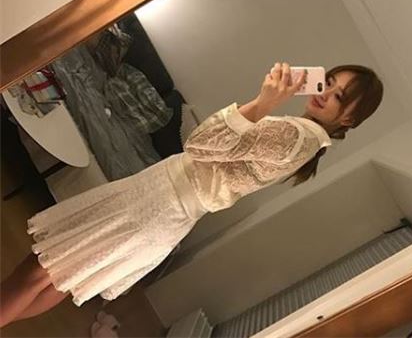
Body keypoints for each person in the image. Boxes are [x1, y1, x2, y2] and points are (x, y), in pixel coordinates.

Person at [0, 62, 383, 327]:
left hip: (158, 204)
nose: (326, 93)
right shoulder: (303, 140)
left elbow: (199, 144)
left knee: (42, 270)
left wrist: (263, 102)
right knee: (57, 277)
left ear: (348, 118)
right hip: (163, 205)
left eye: (339, 96)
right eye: (329, 82)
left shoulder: (293, 136)